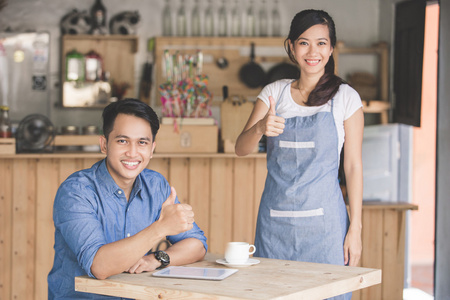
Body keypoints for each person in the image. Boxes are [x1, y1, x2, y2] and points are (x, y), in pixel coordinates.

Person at [235, 9, 363, 300]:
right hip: (274, 226)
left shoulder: (345, 98)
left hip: (326, 230)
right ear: (291, 47)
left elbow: (353, 166)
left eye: (321, 43)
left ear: (331, 49)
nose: (312, 51)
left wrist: (355, 229)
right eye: (304, 42)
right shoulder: (274, 94)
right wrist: (260, 128)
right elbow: (240, 148)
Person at [48, 98, 207, 299]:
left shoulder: (156, 185)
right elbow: (99, 266)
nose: (132, 152)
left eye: (142, 142)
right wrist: (161, 228)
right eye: (122, 141)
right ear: (104, 144)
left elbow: (197, 245)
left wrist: (157, 259)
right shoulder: (76, 192)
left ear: (152, 149)